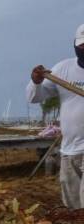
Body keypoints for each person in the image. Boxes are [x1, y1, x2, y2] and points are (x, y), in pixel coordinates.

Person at [28, 23, 84, 210]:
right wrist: (36, 82)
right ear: (75, 46)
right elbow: (35, 97)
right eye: (83, 45)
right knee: (73, 208)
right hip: (69, 150)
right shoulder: (63, 69)